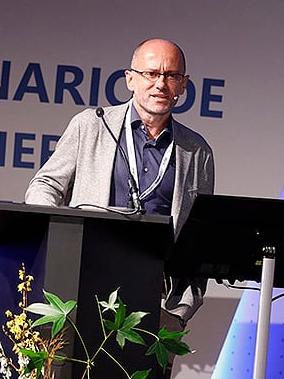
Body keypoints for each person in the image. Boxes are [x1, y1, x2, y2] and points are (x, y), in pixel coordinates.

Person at [25, 38, 214, 377]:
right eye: (151, 73)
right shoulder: (91, 125)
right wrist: (54, 248)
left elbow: (200, 237)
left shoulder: (196, 151)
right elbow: (45, 185)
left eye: (171, 76)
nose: (160, 84)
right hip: (81, 291)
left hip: (155, 305)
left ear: (183, 85)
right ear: (130, 79)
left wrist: (180, 310)